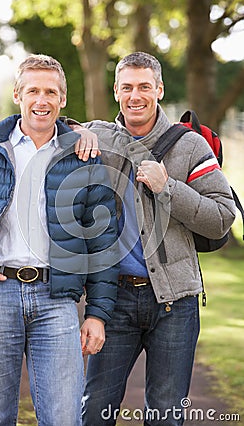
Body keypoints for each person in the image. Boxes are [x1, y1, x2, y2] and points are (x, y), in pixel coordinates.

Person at [0, 54, 119, 426]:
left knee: (63, 417)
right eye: (34, 91)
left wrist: (97, 314)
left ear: (63, 100)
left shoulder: (83, 157)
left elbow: (103, 241)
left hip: (56, 300)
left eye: (51, 92)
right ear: (18, 95)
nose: (42, 100)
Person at [75, 52, 236, 426]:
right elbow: (48, 130)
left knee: (165, 416)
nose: (136, 95)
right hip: (111, 300)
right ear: (116, 90)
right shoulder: (98, 137)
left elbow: (222, 218)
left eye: (144, 86)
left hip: (174, 303)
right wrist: (76, 129)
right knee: (94, 410)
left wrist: (169, 188)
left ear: (159, 90)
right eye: (127, 87)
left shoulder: (192, 146)